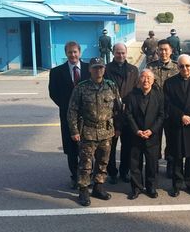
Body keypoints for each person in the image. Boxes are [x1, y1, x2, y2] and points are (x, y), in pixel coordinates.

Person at [67, 57, 122, 206]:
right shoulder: (81, 87)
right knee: (85, 163)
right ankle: (83, 189)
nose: (98, 70)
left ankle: (98, 186)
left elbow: (118, 108)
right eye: (95, 68)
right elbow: (72, 110)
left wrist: (118, 127)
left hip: (106, 131)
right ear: (89, 69)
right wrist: (74, 130)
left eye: (101, 67)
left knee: (103, 161)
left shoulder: (111, 86)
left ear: (104, 69)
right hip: (88, 131)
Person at [163, 54, 190, 197]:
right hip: (177, 123)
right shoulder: (169, 83)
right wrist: (181, 116)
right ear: (178, 67)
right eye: (181, 66)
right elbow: (167, 104)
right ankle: (176, 184)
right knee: (177, 156)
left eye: (187, 66)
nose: (185, 69)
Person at [48, 41, 90, 189]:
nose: (73, 55)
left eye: (75, 52)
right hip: (67, 116)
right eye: (70, 52)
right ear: (66, 53)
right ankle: (74, 176)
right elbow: (53, 93)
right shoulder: (56, 72)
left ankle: (87, 175)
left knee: (87, 148)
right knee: (71, 149)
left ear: (80, 52)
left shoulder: (89, 69)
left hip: (87, 117)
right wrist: (69, 108)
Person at [124, 69, 165, 200]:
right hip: (135, 135)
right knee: (135, 163)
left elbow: (161, 115)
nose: (146, 80)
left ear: (153, 81)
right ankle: (136, 188)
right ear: (139, 80)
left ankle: (151, 187)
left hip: (152, 135)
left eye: (148, 77)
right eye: (143, 77)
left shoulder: (158, 95)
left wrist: (152, 130)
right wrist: (137, 130)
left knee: (152, 163)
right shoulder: (131, 96)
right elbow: (128, 115)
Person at [104, 43, 139, 184]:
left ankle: (125, 171)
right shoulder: (106, 69)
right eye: (118, 52)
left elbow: (136, 91)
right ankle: (112, 172)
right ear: (113, 53)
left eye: (123, 52)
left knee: (128, 146)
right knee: (110, 147)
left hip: (127, 114)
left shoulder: (133, 70)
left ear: (126, 52)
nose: (121, 55)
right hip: (110, 114)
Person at [147, 39, 179, 178]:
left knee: (172, 139)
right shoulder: (150, 67)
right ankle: (154, 164)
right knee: (154, 140)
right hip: (154, 111)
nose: (163, 52)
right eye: (160, 49)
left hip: (172, 111)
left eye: (166, 49)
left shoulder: (178, 68)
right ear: (157, 51)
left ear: (171, 51)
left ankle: (171, 165)